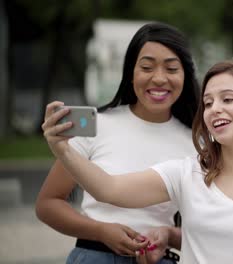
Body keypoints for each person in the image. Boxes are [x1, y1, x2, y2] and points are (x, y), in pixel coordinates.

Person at [42, 60, 233, 264]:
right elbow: (110, 189)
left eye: (228, 99)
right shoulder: (186, 173)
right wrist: (63, 150)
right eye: (209, 102)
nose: (216, 109)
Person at [36, 22, 200, 264]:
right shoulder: (98, 126)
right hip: (93, 257)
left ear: (185, 75)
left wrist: (168, 235)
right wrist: (100, 231)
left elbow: (207, 230)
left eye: (172, 69)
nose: (159, 78)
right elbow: (47, 204)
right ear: (131, 73)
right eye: (146, 67)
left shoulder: (196, 143)